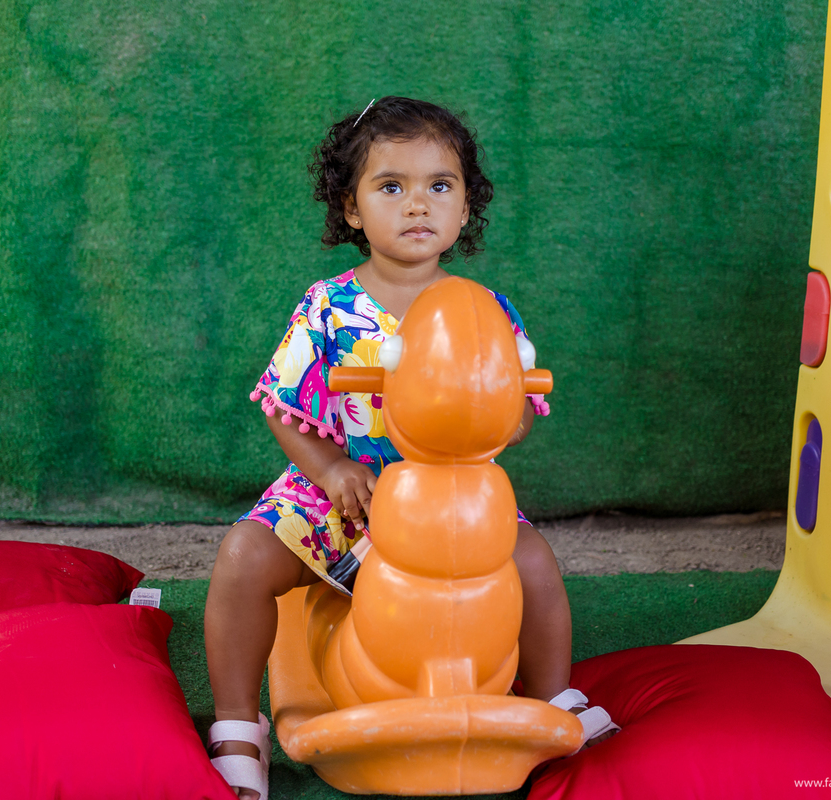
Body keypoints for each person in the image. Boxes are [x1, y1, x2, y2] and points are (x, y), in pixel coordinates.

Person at [203, 96, 616, 800]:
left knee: (534, 564)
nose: (417, 205)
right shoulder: (328, 306)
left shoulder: (483, 311)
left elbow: (518, 414)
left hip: (451, 506)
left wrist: (499, 414)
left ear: (464, 209)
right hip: (345, 497)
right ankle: (239, 722)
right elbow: (283, 406)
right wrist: (331, 468)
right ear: (353, 209)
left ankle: (552, 699)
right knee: (244, 555)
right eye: (392, 186)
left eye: (440, 186)